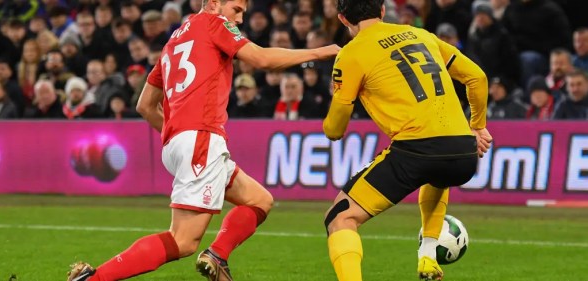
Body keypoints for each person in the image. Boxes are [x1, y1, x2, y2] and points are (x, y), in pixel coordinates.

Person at [66, 0, 339, 280]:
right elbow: (262, 60)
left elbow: (145, 106)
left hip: (181, 142)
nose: (241, 20)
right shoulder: (214, 23)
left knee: (259, 200)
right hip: (201, 139)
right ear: (213, 4)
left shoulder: (173, 41)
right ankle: (94, 279)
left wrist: (180, 134)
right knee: (182, 241)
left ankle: (217, 255)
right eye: (237, 10)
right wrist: (321, 53)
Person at [321, 1, 492, 281]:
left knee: (340, 218)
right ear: (383, 10)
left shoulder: (352, 54)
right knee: (437, 175)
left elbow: (335, 130)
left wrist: (337, 100)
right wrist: (479, 126)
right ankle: (427, 258)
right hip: (463, 152)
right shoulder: (420, 35)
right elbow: (477, 77)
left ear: (341, 18)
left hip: (417, 149)